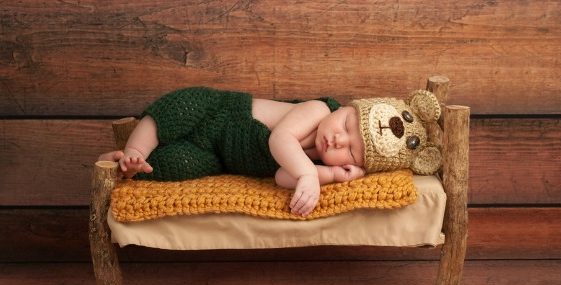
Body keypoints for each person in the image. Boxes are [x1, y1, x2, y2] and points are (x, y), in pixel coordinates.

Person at [100, 87, 441, 216]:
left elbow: (280, 176)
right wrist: (309, 173)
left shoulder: (319, 161)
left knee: (177, 166)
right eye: (347, 127)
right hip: (219, 113)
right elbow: (279, 141)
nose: (338, 140)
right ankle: (135, 147)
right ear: (345, 108)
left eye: (351, 151)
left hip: (218, 156)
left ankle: (134, 164)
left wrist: (331, 175)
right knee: (176, 110)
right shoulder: (318, 110)